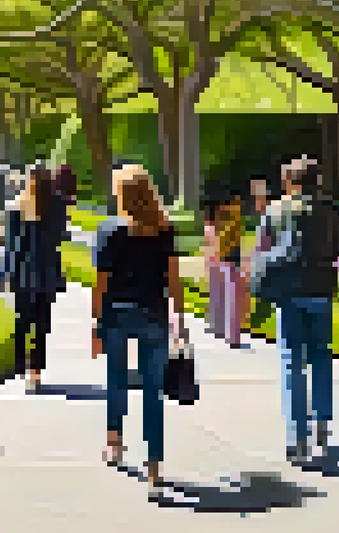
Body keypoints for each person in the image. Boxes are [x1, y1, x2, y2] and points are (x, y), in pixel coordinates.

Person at [93, 163, 185, 499]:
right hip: (153, 315)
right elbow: (173, 280)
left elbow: (101, 284)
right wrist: (179, 320)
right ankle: (154, 467)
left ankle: (114, 442)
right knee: (152, 391)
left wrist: (95, 323)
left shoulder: (110, 231)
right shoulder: (164, 230)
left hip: (117, 314)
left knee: (116, 378)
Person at [250, 156, 339, 465]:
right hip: (320, 291)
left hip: (288, 292)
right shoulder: (332, 211)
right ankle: (322, 426)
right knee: (321, 357)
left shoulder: (274, 211)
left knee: (292, 362)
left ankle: (297, 437)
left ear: (289, 182)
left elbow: (261, 250)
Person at [0, 165, 66, 393]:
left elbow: (11, 247)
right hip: (45, 270)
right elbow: (59, 237)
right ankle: (35, 371)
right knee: (41, 323)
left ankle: (22, 365)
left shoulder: (17, 206)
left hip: (23, 270)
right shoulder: (56, 207)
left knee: (23, 320)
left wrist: (6, 275)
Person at [205, 188, 247, 348]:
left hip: (222, 257)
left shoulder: (220, 216)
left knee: (220, 295)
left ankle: (221, 329)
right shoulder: (233, 214)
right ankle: (233, 335)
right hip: (231, 257)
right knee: (232, 298)